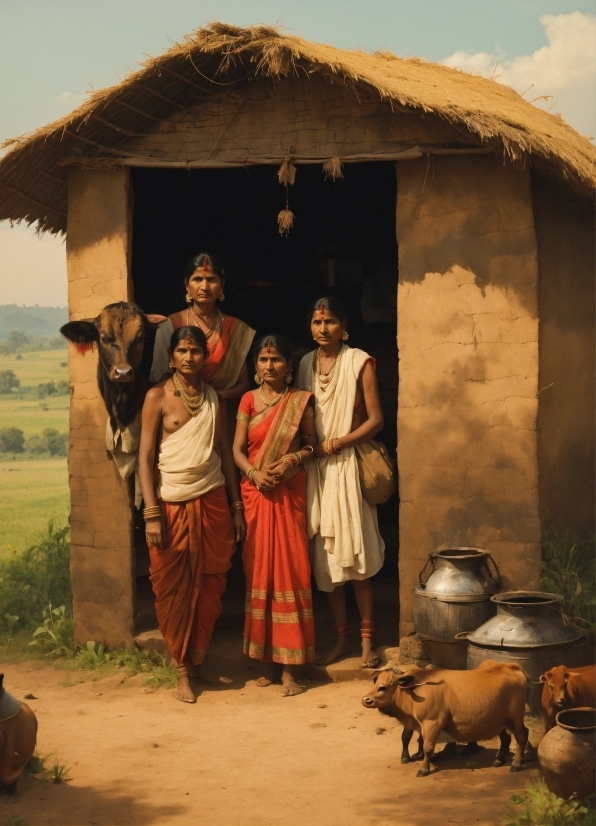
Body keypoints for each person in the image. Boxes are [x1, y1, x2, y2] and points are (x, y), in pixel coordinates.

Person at [139, 325, 246, 704]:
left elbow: (224, 456)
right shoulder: (157, 397)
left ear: (205, 357)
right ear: (170, 357)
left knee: (212, 583)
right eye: (182, 351)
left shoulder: (214, 398)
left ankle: (198, 662)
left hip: (213, 499)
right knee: (173, 589)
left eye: (196, 351)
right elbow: (144, 459)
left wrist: (236, 508)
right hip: (170, 504)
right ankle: (181, 670)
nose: (189, 357)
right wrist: (151, 514)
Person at [298, 297, 385, 668]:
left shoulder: (359, 361)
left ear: (343, 325)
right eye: (317, 322)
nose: (323, 329)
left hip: (348, 465)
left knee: (357, 559)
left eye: (330, 322)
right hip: (317, 470)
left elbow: (376, 421)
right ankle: (341, 639)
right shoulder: (303, 364)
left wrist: (337, 443)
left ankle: (367, 642)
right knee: (328, 562)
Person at [233, 335, 317, 696]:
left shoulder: (300, 402)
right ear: (255, 366)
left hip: (288, 492)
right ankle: (265, 662)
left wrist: (293, 459)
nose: (270, 367)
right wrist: (254, 473)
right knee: (259, 572)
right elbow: (236, 450)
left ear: (289, 366)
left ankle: (290, 669)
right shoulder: (248, 400)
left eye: (277, 360)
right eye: (264, 360)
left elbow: (313, 444)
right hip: (257, 492)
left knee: (291, 570)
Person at [150, 252, 255, 402]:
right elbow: (158, 378)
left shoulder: (235, 328)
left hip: (220, 410)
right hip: (177, 408)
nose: (204, 287)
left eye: (211, 280)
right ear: (187, 284)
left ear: (222, 284)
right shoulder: (170, 324)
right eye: (197, 279)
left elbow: (244, 384)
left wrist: (217, 396)